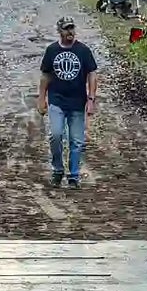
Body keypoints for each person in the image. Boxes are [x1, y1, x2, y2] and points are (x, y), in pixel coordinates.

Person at [39, 16, 99, 188]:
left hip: (77, 102)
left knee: (77, 140)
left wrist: (91, 98)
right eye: (66, 29)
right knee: (56, 135)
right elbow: (45, 76)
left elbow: (92, 73)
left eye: (71, 28)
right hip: (57, 100)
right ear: (60, 31)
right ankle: (57, 170)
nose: (70, 32)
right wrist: (41, 98)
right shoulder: (52, 50)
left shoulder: (83, 51)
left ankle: (74, 175)